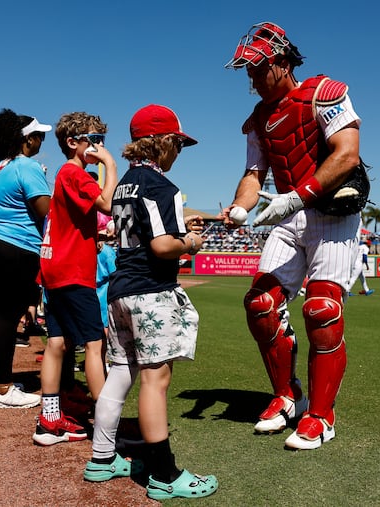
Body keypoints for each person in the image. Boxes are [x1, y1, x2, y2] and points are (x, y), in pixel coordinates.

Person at [222, 21, 366, 450]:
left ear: (282, 62)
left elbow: (347, 154)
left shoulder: (326, 93)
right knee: (260, 305)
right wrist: (241, 207)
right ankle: (289, 395)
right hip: (289, 216)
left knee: (321, 310)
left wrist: (296, 197)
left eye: (257, 69)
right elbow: (253, 174)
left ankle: (322, 416)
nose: (250, 78)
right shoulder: (259, 119)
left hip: (329, 214)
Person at [85, 104, 218, 501]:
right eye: (178, 142)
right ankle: (164, 474)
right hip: (150, 292)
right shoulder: (163, 186)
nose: (180, 150)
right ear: (162, 142)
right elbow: (163, 246)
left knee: (120, 374)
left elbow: (140, 228)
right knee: (155, 380)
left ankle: (102, 457)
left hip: (121, 290)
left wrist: (183, 230)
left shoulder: (126, 181)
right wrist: (191, 242)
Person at [33, 112, 118, 446]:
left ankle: (49, 419)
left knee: (57, 343)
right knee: (94, 346)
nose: (98, 146)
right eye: (94, 140)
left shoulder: (64, 174)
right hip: (73, 272)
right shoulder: (75, 173)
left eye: (102, 141)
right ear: (73, 142)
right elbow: (107, 204)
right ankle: (105, 427)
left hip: (54, 268)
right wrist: (109, 165)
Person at [0, 109, 52, 409]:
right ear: (27, 140)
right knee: (8, 316)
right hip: (13, 247)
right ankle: (3, 388)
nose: (42, 139)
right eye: (39, 135)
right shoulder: (26, 166)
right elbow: (45, 210)